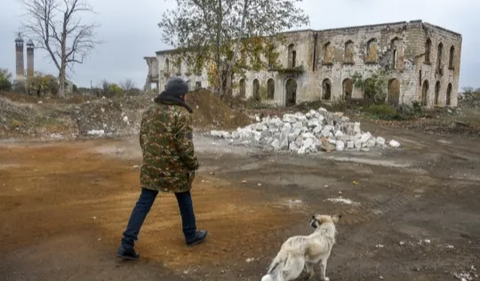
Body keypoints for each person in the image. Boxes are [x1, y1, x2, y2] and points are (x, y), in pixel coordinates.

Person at [117, 77, 207, 260]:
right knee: (184, 196)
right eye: (186, 94)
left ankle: (127, 243)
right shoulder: (182, 114)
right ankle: (190, 235)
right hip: (176, 170)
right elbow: (185, 147)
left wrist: (152, 159)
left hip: (152, 167)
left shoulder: (149, 111)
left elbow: (143, 139)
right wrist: (193, 164)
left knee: (144, 202)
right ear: (181, 95)